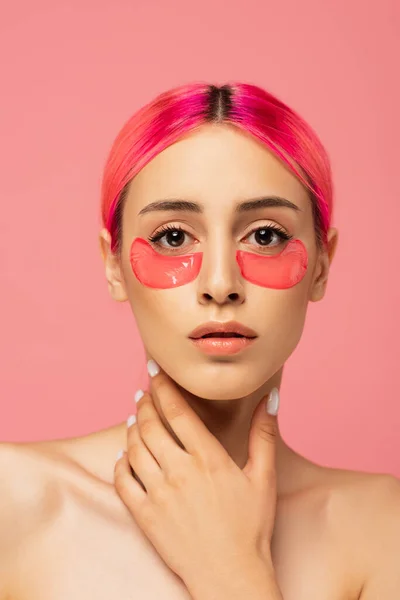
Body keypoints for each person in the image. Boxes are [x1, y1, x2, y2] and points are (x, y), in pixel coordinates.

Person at [1, 82, 399, 599]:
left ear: (322, 264)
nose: (219, 284)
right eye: (172, 237)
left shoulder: (382, 528)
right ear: (113, 264)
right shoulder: (13, 502)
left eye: (264, 235)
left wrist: (233, 573)